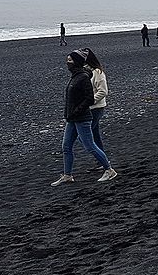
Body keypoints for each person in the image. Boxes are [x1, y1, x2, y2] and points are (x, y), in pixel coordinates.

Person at [51, 50, 118, 185]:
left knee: (88, 144)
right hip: (73, 117)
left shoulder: (86, 76)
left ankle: (109, 169)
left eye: (70, 60)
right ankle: (67, 175)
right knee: (67, 145)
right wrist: (68, 113)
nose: (67, 62)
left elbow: (91, 97)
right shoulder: (76, 76)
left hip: (84, 115)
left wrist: (78, 109)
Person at [83, 48, 109, 165]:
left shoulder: (97, 72)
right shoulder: (86, 72)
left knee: (85, 137)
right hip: (91, 107)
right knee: (95, 135)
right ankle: (101, 160)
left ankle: (102, 161)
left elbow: (103, 91)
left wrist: (90, 101)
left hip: (96, 108)